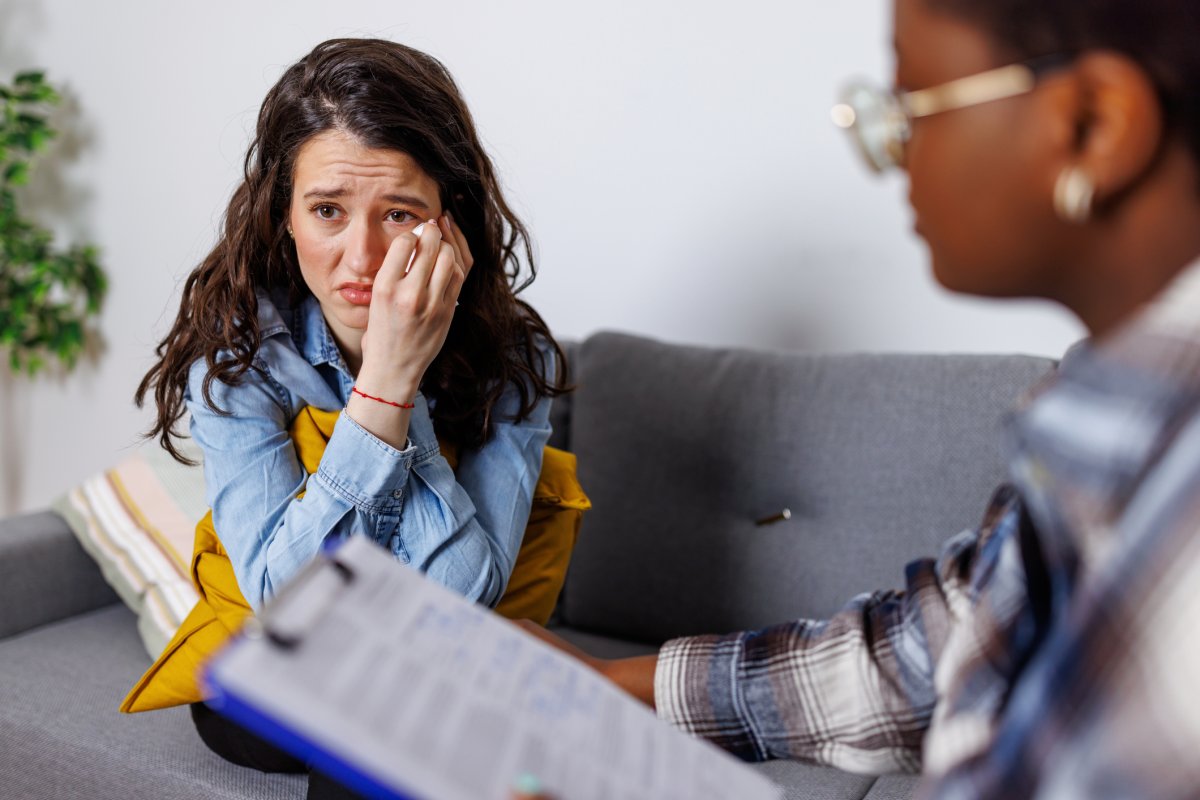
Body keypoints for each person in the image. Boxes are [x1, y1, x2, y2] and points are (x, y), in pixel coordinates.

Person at [522, 0, 1200, 797]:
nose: (888, 152)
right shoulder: (1109, 413)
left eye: (912, 105)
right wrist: (613, 689)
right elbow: (936, 647)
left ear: (1095, 124)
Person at [132, 38, 580, 799]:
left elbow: (465, 603)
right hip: (266, 671)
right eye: (328, 211)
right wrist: (388, 385)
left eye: (399, 213)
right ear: (284, 216)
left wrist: (394, 382)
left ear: (450, 221)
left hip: (433, 675)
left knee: (400, 708)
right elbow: (288, 600)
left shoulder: (513, 360)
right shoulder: (240, 357)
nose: (361, 256)